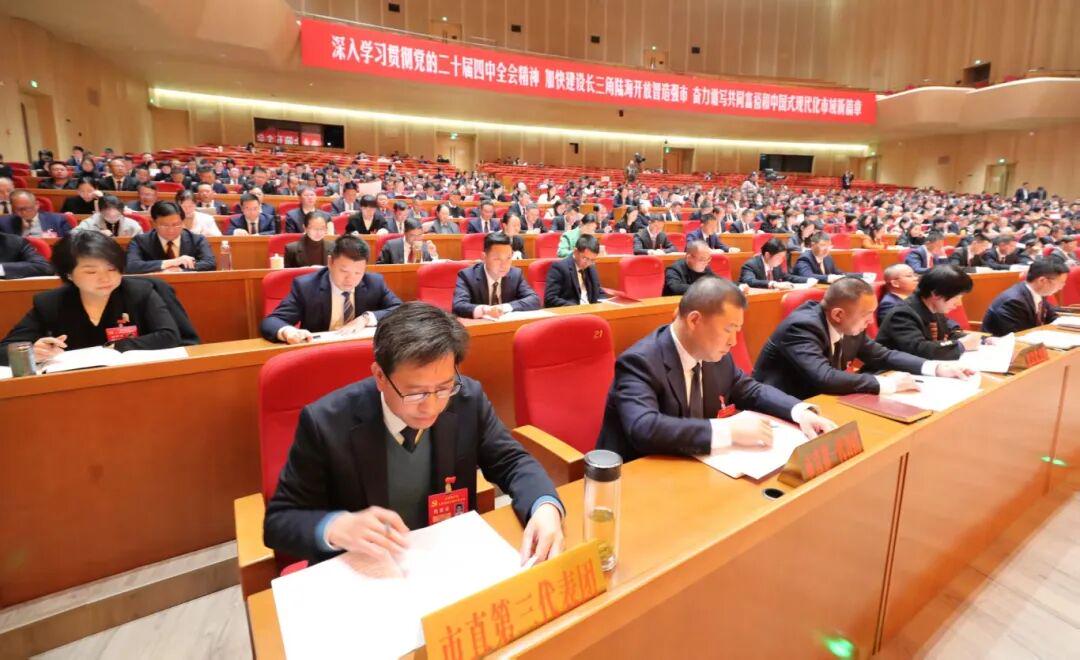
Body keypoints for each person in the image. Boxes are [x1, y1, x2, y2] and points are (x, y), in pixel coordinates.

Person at [263, 301, 565, 564]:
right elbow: (279, 521)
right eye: (415, 393)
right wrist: (334, 527)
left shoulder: (466, 399)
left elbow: (511, 461)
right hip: (364, 569)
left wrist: (544, 505)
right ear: (380, 376)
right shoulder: (326, 422)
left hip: (445, 557)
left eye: (444, 388)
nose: (431, 407)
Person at [596, 277, 836, 462]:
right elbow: (644, 428)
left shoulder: (716, 355)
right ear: (694, 320)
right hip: (638, 476)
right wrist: (727, 431)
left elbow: (750, 390)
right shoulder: (639, 362)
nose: (733, 341)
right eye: (728, 329)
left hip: (696, 464)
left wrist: (800, 412)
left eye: (737, 331)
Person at [751, 277, 974, 400]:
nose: (870, 321)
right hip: (784, 405)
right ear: (838, 314)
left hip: (824, 400)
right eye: (867, 315)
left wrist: (936, 368)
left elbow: (882, 355)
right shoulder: (801, 327)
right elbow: (824, 377)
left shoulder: (849, 324)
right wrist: (887, 384)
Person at [0, 231, 180, 365]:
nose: (105, 278)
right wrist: (32, 352)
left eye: (112, 269)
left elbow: (169, 336)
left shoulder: (140, 292)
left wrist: (118, 346)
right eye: (91, 272)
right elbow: (4, 350)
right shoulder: (50, 303)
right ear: (69, 274)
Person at [261, 236, 402, 343]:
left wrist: (366, 318)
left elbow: (401, 310)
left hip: (358, 349)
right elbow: (272, 321)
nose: (351, 279)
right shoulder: (306, 287)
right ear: (330, 262)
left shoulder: (374, 283)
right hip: (319, 352)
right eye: (344, 271)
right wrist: (288, 331)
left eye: (358, 273)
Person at [876, 266, 983, 360]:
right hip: (891, 372)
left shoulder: (933, 306)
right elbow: (919, 349)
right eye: (956, 297)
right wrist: (960, 345)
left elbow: (950, 333)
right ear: (936, 294)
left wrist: (981, 339)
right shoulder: (902, 314)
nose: (958, 303)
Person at [452, 232, 539, 319]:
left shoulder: (516, 274)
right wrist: (485, 310)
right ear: (484, 257)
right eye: (497, 259)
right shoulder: (467, 276)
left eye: (508, 258)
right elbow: (458, 306)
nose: (504, 265)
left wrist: (504, 308)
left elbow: (534, 299)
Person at [981, 258, 1068, 336]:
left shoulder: (1039, 293)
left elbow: (1052, 318)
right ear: (1042, 281)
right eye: (1061, 282)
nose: (1062, 287)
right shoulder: (1014, 302)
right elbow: (1018, 336)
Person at [126, 201, 216, 274]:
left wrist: (180, 270)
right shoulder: (140, 241)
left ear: (182, 222)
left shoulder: (197, 240)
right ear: (154, 223)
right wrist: (171, 262)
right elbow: (131, 266)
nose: (171, 230)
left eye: (176, 225)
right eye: (164, 225)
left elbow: (210, 264)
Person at [544, 234, 601, 307]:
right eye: (585, 258)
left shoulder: (591, 268)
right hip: (571, 311)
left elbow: (598, 291)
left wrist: (605, 301)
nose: (588, 263)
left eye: (592, 260)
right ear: (575, 252)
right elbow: (550, 299)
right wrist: (576, 308)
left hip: (591, 310)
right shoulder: (559, 268)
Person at [739, 238, 808, 289]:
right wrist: (773, 284)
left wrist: (807, 280)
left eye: (783, 257)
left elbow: (786, 277)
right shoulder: (750, 265)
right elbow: (749, 281)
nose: (781, 260)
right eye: (779, 257)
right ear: (767, 255)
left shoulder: (776, 265)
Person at [0, 190, 71, 238]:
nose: (23, 213)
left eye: (27, 208)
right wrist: (24, 231)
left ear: (37, 205)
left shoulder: (57, 220)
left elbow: (67, 244)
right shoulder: (3, 223)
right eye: (17, 209)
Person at [73, 195, 143, 237]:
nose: (112, 215)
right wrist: (96, 234)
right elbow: (73, 234)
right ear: (100, 211)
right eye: (108, 213)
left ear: (121, 212)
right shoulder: (92, 221)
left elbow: (140, 241)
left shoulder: (131, 224)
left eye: (116, 215)